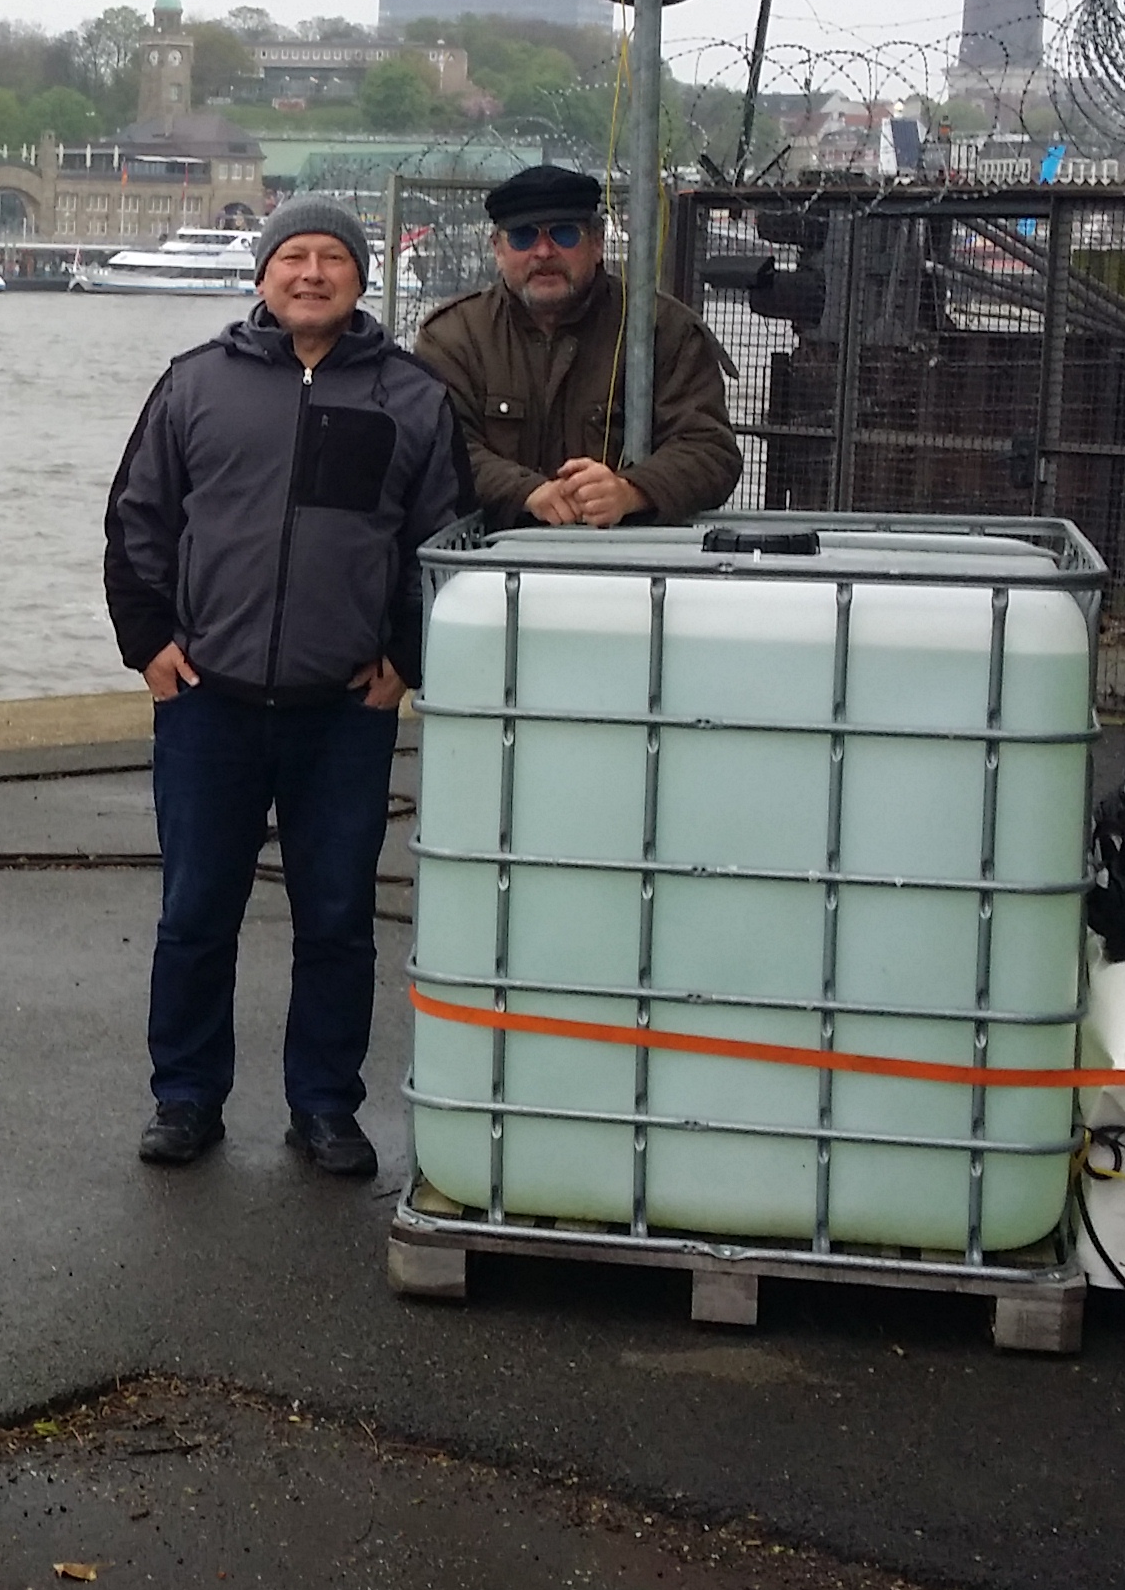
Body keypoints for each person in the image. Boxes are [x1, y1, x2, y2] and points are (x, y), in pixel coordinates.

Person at [102, 198, 464, 1178]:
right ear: (263, 276)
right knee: (195, 910)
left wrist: (409, 658)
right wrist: (150, 648)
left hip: (343, 712)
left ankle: (324, 1105)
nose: (312, 273)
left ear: (359, 277)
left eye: (332, 259)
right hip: (208, 702)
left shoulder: (411, 398)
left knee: (339, 916)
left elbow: (442, 541)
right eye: (293, 257)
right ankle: (185, 1096)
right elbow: (136, 523)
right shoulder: (194, 386)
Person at [413, 164, 740, 529]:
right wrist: (528, 493)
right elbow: (437, 449)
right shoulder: (454, 337)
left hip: (627, 568)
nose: (543, 252)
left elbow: (710, 450)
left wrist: (630, 491)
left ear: (597, 242)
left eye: (564, 234)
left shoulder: (661, 329)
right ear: (498, 250)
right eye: (523, 237)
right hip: (490, 563)